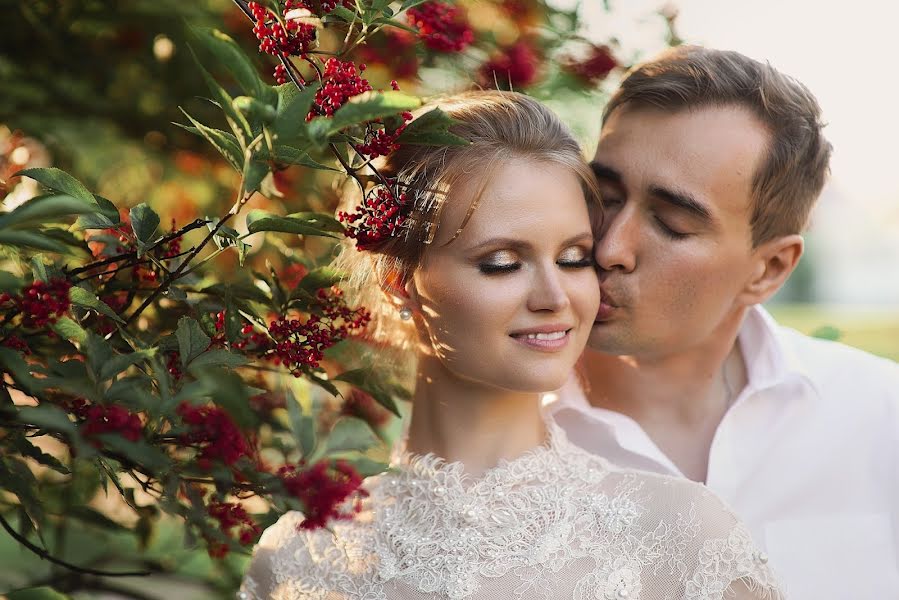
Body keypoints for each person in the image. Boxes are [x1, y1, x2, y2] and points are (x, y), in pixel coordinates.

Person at [239, 91, 783, 599]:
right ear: (399, 284)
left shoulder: (683, 541)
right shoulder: (296, 557)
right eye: (502, 263)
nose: (555, 296)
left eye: (574, 258)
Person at [545, 46, 899, 599]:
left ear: (769, 269)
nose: (609, 245)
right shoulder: (505, 430)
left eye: (671, 224)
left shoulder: (880, 417)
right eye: (604, 195)